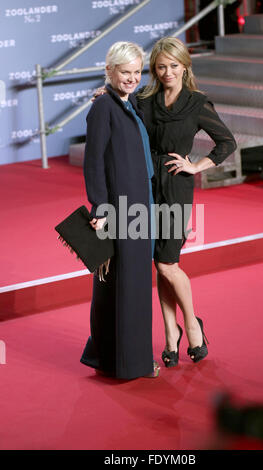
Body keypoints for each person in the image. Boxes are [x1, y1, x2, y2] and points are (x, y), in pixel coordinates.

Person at [94, 37, 237, 369]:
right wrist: (106, 94)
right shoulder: (145, 99)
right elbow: (121, 105)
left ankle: (191, 325)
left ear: (185, 66)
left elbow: (226, 142)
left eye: (174, 65)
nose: (168, 71)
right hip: (144, 186)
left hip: (176, 188)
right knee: (157, 261)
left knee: (167, 264)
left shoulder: (197, 102)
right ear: (154, 70)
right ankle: (170, 334)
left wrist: (196, 166)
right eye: (161, 66)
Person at [80, 41, 159, 379]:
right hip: (120, 210)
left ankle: (110, 357)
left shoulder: (130, 104)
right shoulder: (103, 108)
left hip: (140, 205)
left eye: (136, 72)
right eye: (124, 72)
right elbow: (93, 160)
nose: (131, 78)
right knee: (128, 285)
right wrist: (99, 206)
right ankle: (132, 363)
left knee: (123, 284)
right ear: (109, 71)